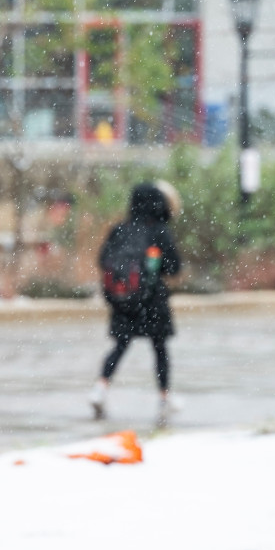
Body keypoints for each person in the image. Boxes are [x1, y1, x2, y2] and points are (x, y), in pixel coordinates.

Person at [90, 180, 183, 424]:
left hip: (124, 299)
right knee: (160, 349)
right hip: (152, 300)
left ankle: (100, 388)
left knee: (120, 346)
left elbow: (102, 261)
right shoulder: (159, 231)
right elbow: (174, 267)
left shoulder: (119, 229)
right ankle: (164, 397)